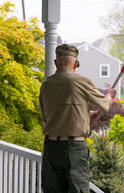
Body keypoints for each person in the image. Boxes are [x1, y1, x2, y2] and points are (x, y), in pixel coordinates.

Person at [39, 44, 116, 193]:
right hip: (73, 148)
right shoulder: (79, 81)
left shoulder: (46, 85)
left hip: (50, 146)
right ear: (75, 63)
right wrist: (110, 95)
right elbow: (105, 105)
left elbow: (49, 117)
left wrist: (86, 115)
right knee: (78, 189)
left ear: (56, 63)